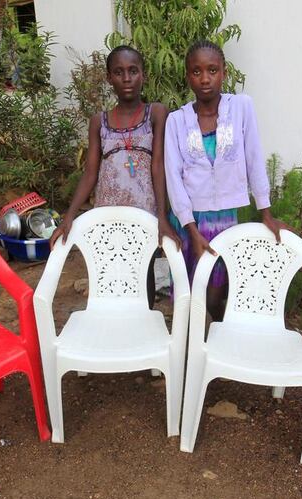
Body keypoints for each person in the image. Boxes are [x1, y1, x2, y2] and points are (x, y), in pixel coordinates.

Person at [164, 40, 287, 321]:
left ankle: (221, 340)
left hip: (225, 220)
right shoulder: (177, 121)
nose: (205, 78)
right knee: (190, 293)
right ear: (188, 76)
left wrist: (265, 211)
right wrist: (192, 231)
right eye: (196, 72)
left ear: (224, 72)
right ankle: (191, 350)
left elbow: (254, 157)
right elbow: (173, 176)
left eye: (212, 70)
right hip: (188, 221)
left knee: (217, 294)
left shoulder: (241, 107)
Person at [49, 45, 180, 304]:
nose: (127, 78)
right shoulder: (99, 121)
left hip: (145, 213)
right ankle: (114, 330)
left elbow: (158, 165)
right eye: (119, 72)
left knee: (145, 275)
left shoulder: (156, 113)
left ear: (143, 75)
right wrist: (70, 215)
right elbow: (91, 173)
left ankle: (145, 326)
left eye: (133, 71)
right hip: (108, 213)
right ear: (110, 78)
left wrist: (162, 217)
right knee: (110, 273)